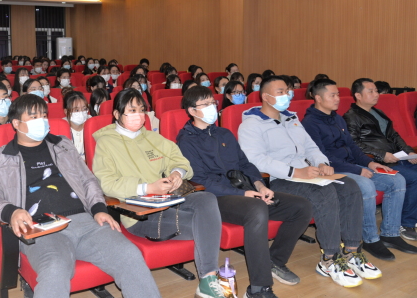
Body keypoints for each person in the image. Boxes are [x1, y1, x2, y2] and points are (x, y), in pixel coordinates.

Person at [0, 94, 161, 298]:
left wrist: (98, 209)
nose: (41, 121)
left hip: (85, 221)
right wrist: (11, 212)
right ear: (16, 123)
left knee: (129, 254)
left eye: (44, 116)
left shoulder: (63, 146)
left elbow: (88, 180)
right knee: (55, 267)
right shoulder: (0, 158)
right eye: (33, 117)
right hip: (41, 228)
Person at [238, 76, 380, 288]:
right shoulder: (251, 125)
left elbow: (311, 147)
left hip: (308, 174)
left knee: (350, 186)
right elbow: (256, 160)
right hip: (280, 179)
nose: (286, 95)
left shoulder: (291, 119)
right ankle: (329, 259)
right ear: (266, 97)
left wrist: (322, 163)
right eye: (280, 92)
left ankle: (351, 251)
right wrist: (295, 171)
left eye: (287, 91)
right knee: (325, 193)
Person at [178, 86, 313, 298]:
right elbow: (202, 180)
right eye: (205, 104)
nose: (212, 107)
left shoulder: (224, 133)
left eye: (213, 103)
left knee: (301, 206)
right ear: (192, 111)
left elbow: (245, 164)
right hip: (216, 198)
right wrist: (243, 194)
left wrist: (260, 185)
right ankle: (259, 288)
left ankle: (274, 261)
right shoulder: (186, 140)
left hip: (245, 191)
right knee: (256, 208)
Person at [92, 89, 224, 298]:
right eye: (132, 110)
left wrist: (177, 174)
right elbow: (106, 183)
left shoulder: (152, 137)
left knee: (207, 199)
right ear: (117, 114)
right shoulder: (106, 143)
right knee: (208, 224)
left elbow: (179, 160)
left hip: (167, 200)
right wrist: (147, 188)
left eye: (141, 110)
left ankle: (207, 280)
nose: (139, 115)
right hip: (140, 214)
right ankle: (209, 279)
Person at [302, 78, 415, 260]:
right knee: (366, 185)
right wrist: (357, 169)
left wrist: (369, 163)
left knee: (397, 180)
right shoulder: (310, 123)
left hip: (353, 165)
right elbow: (323, 157)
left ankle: (390, 234)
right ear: (318, 98)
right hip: (332, 170)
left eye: (338, 94)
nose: (338, 99)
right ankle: (370, 239)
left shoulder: (337, 118)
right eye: (332, 95)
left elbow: (353, 147)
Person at [344, 78, 417, 241]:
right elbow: (354, 144)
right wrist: (381, 155)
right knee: (414, 177)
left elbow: (394, 135)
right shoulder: (351, 116)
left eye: (376, 91)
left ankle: (413, 215)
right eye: (370, 91)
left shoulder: (378, 112)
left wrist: (409, 152)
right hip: (378, 162)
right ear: (358, 96)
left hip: (395, 157)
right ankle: (406, 223)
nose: (376, 94)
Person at [63, 91, 90, 162]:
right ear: (66, 111)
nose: (81, 113)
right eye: (76, 110)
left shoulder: (92, 124)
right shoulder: (61, 127)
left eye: (84, 109)